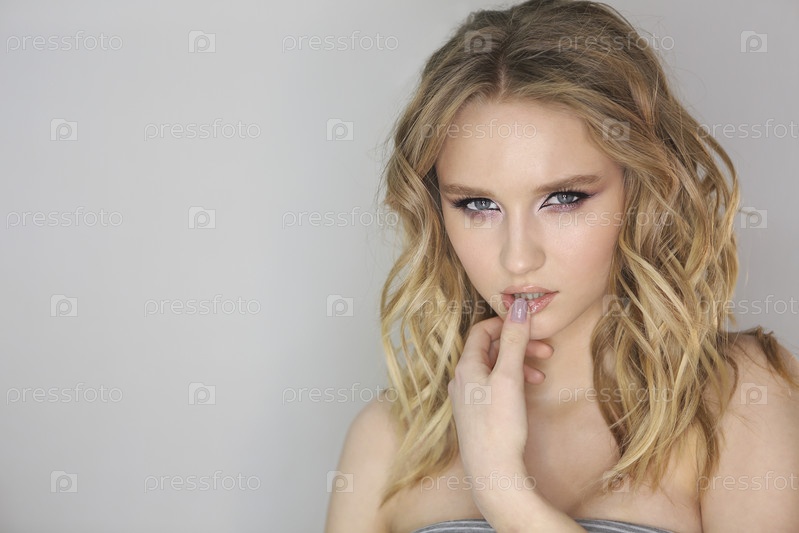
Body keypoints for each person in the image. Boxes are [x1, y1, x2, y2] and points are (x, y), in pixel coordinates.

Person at [326, 1, 799, 531]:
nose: (517, 257)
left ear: (644, 190)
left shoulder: (738, 396)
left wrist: (503, 490)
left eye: (564, 199)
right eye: (478, 205)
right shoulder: (388, 439)